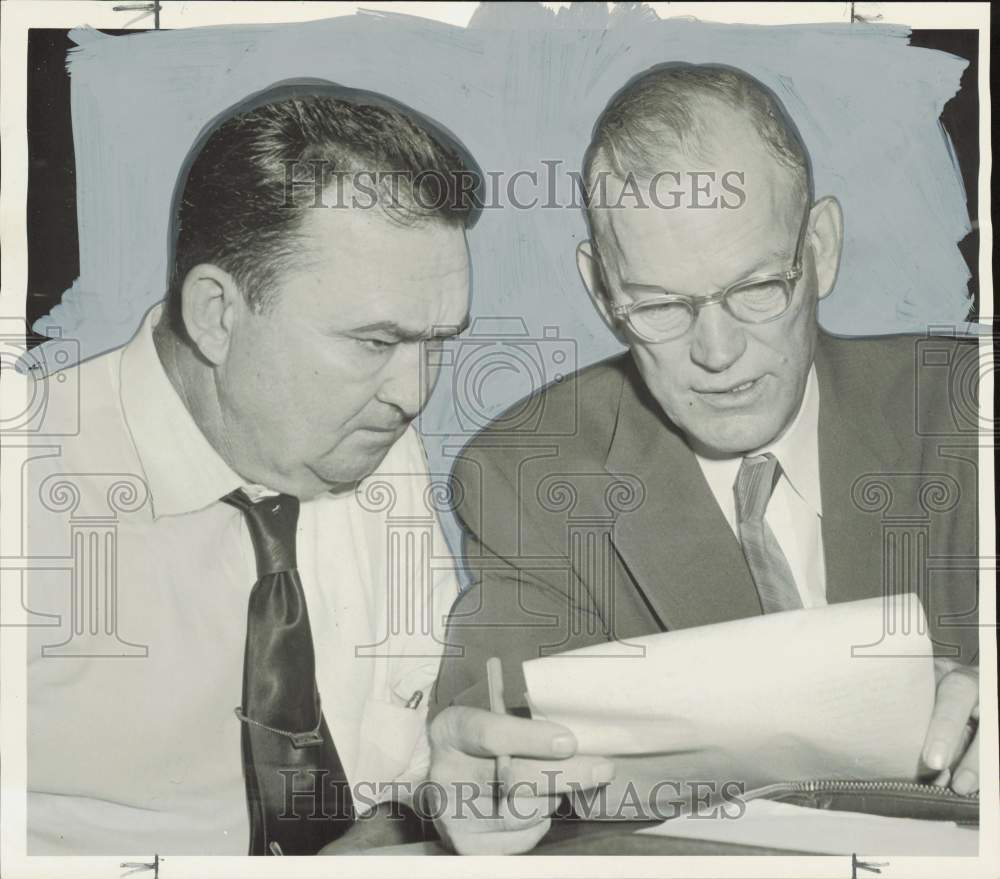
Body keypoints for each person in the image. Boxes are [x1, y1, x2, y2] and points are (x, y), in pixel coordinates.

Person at [428, 63, 981, 854]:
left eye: (758, 288)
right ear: (601, 291)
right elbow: (493, 710)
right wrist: (481, 775)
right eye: (657, 306)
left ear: (819, 248)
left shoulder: (971, 413)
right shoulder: (524, 470)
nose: (716, 354)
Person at [25, 81, 479, 855]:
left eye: (437, 341)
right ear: (217, 314)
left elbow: (406, 751)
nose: (413, 394)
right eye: (375, 341)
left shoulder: (367, 437)